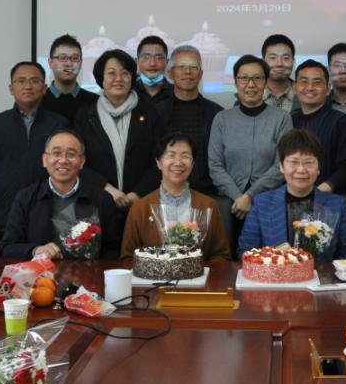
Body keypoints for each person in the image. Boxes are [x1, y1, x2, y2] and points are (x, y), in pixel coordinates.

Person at [0, 62, 69, 244]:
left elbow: (69, 171)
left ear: (44, 88)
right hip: (6, 218)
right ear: (11, 88)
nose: (28, 86)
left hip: (51, 217)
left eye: (35, 81)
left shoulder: (59, 124)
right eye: (21, 81)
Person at [208, 55, 293, 251]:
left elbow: (281, 164)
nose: (251, 84)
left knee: (271, 258)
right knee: (228, 258)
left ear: (266, 81)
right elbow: (215, 165)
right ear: (235, 81)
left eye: (257, 78)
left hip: (270, 203)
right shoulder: (222, 119)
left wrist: (250, 196)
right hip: (229, 205)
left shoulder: (282, 118)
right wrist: (239, 197)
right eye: (244, 78)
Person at [237, 129, 346, 262]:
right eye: (293, 162)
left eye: (309, 162)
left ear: (319, 168)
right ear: (281, 167)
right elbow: (246, 253)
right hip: (274, 274)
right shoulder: (262, 203)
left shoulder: (336, 204)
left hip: (321, 274)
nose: (301, 169)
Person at [0, 130, 120, 260]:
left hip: (88, 272)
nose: (63, 160)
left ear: (82, 162)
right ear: (45, 160)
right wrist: (35, 250)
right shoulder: (26, 198)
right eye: (56, 153)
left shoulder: (102, 199)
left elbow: (112, 251)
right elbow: (7, 248)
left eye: (71, 154)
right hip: (40, 272)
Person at [74, 49, 164, 210]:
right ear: (101, 78)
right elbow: (78, 161)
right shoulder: (85, 116)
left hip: (141, 203)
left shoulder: (149, 113)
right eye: (111, 73)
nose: (118, 79)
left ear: (132, 78)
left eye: (125, 73)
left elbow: (160, 159)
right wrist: (108, 190)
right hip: (98, 202)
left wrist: (136, 194)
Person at [120, 133, 231, 261]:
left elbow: (221, 255)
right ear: (159, 163)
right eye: (171, 155)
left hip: (199, 273)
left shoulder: (208, 205)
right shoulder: (140, 208)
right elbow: (127, 258)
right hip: (152, 274)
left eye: (185, 156)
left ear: (192, 164)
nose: (178, 162)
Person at [154, 44, 224, 197]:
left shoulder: (217, 113)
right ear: (170, 73)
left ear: (200, 74)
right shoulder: (156, 112)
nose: (188, 71)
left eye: (193, 67)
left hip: (207, 195)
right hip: (163, 195)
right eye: (181, 66)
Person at [290, 60, 346, 195]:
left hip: (329, 198)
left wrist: (319, 192)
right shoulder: (289, 120)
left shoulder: (341, 121)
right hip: (293, 197)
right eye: (304, 81)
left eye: (317, 82)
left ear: (328, 89)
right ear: (294, 88)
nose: (310, 87)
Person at [41, 34, 99, 123]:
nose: (69, 63)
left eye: (75, 58)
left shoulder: (95, 102)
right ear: (50, 62)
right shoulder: (38, 101)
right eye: (62, 58)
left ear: (81, 63)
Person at [261, 33, 299, 113]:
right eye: (273, 58)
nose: (279, 64)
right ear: (263, 62)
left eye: (286, 58)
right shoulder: (250, 96)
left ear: (293, 61)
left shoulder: (305, 95)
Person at [132, 35, 173, 105]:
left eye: (159, 58)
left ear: (167, 62)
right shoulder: (128, 92)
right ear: (137, 61)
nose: (152, 64)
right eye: (146, 57)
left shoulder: (177, 92)